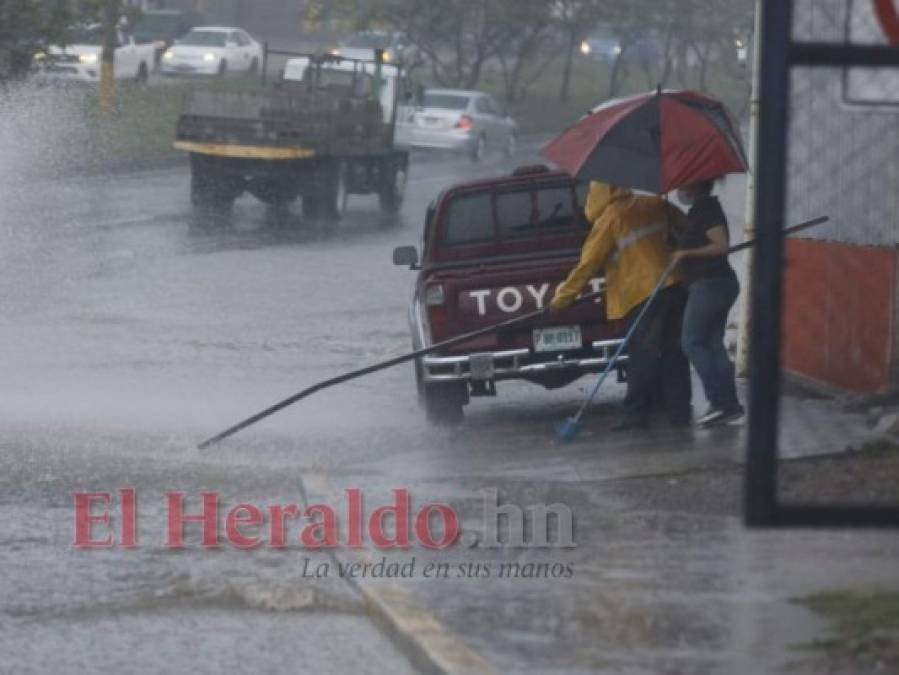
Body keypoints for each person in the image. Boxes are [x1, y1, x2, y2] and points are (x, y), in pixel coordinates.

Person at [550, 181, 692, 430]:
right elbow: (690, 231)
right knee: (674, 352)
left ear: (597, 195)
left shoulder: (611, 219)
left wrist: (562, 299)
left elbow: (587, 265)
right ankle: (679, 412)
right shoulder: (656, 203)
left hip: (643, 293)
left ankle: (635, 416)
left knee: (642, 355)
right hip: (674, 285)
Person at [671, 179, 744, 427]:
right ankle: (729, 406)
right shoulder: (700, 210)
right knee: (713, 344)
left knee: (691, 342)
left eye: (684, 185)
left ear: (695, 186)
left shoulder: (706, 209)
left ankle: (719, 402)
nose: (680, 190)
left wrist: (685, 253)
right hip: (715, 284)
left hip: (709, 285)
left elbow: (721, 245)